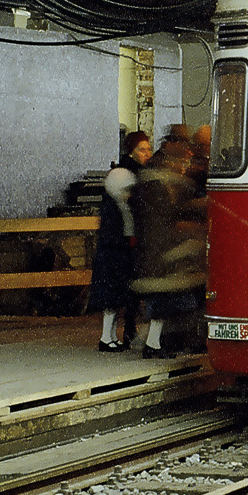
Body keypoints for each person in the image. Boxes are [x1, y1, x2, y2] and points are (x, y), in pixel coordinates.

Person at [131, 140, 208, 359]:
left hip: (158, 253)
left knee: (163, 304)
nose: (181, 167)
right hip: (160, 253)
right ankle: (152, 344)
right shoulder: (157, 188)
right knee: (164, 303)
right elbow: (167, 219)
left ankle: (152, 342)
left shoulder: (153, 186)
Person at [90, 130, 151, 352]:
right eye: (141, 149)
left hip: (118, 252)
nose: (146, 153)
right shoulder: (116, 207)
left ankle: (111, 336)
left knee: (115, 299)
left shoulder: (119, 204)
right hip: (115, 253)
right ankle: (107, 337)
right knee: (112, 299)